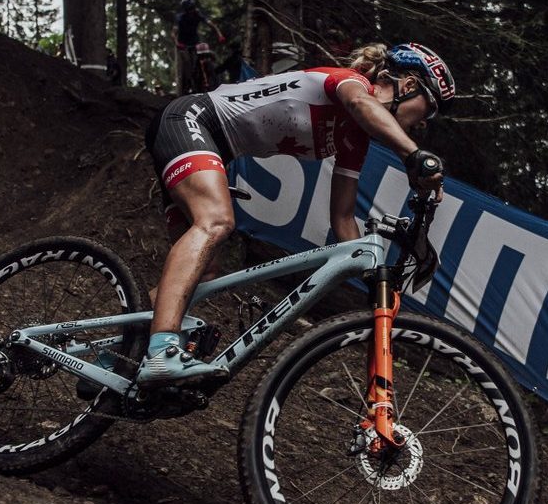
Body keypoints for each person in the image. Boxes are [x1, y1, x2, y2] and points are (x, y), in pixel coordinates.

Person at [138, 42, 457, 386]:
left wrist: (371, 275)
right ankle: (161, 351)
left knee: (204, 272)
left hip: (209, 142)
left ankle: (126, 351)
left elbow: (342, 219)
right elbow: (360, 104)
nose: (422, 124)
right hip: (190, 120)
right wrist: (414, 155)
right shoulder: (352, 84)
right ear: (408, 85)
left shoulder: (355, 139)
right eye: (428, 109)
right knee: (216, 220)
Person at [174, 0, 226, 94]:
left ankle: (211, 79)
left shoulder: (198, 14)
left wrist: (220, 35)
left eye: (192, 8)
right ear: (185, 10)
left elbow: (210, 24)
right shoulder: (180, 18)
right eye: (189, 9)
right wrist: (177, 43)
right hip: (183, 45)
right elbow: (174, 33)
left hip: (195, 41)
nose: (191, 11)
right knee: (187, 64)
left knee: (205, 56)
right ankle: (187, 86)